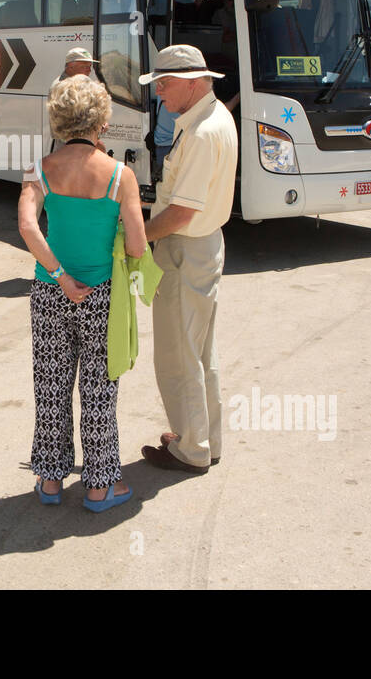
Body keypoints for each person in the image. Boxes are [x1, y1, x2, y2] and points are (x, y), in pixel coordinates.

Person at [18, 76, 147, 513]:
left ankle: (50, 481)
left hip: (50, 293)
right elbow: (136, 246)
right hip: (102, 298)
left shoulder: (40, 170)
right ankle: (100, 487)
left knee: (50, 385)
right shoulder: (120, 176)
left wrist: (57, 274)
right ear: (102, 121)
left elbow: (27, 227)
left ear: (58, 120)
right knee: (99, 389)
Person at [138, 45, 237, 475]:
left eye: (164, 83)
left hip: (185, 247)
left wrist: (136, 240)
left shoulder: (199, 133)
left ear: (194, 82)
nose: (159, 92)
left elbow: (181, 213)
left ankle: (190, 448)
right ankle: (205, 440)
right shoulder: (213, 118)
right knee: (200, 352)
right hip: (205, 245)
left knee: (179, 356)